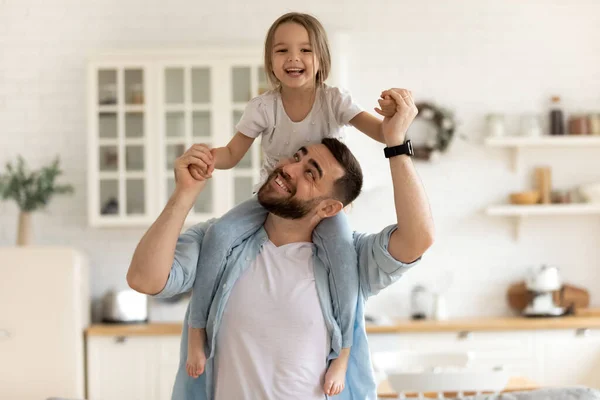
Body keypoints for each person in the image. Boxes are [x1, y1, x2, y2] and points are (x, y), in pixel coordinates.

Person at [127, 87, 435, 400]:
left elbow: (417, 238)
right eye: (297, 157)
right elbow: (144, 279)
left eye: (310, 174)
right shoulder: (219, 243)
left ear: (328, 208)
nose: (288, 168)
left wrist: (396, 144)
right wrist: (185, 194)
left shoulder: (350, 260)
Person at [183, 12, 397, 395]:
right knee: (218, 236)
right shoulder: (263, 107)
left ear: (321, 59)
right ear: (271, 62)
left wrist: (395, 116)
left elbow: (382, 132)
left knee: (344, 267)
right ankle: (198, 329)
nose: (293, 58)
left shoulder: (334, 100)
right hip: (270, 201)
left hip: (323, 209)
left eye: (304, 49)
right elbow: (233, 153)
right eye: (282, 50)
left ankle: (344, 352)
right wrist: (205, 157)